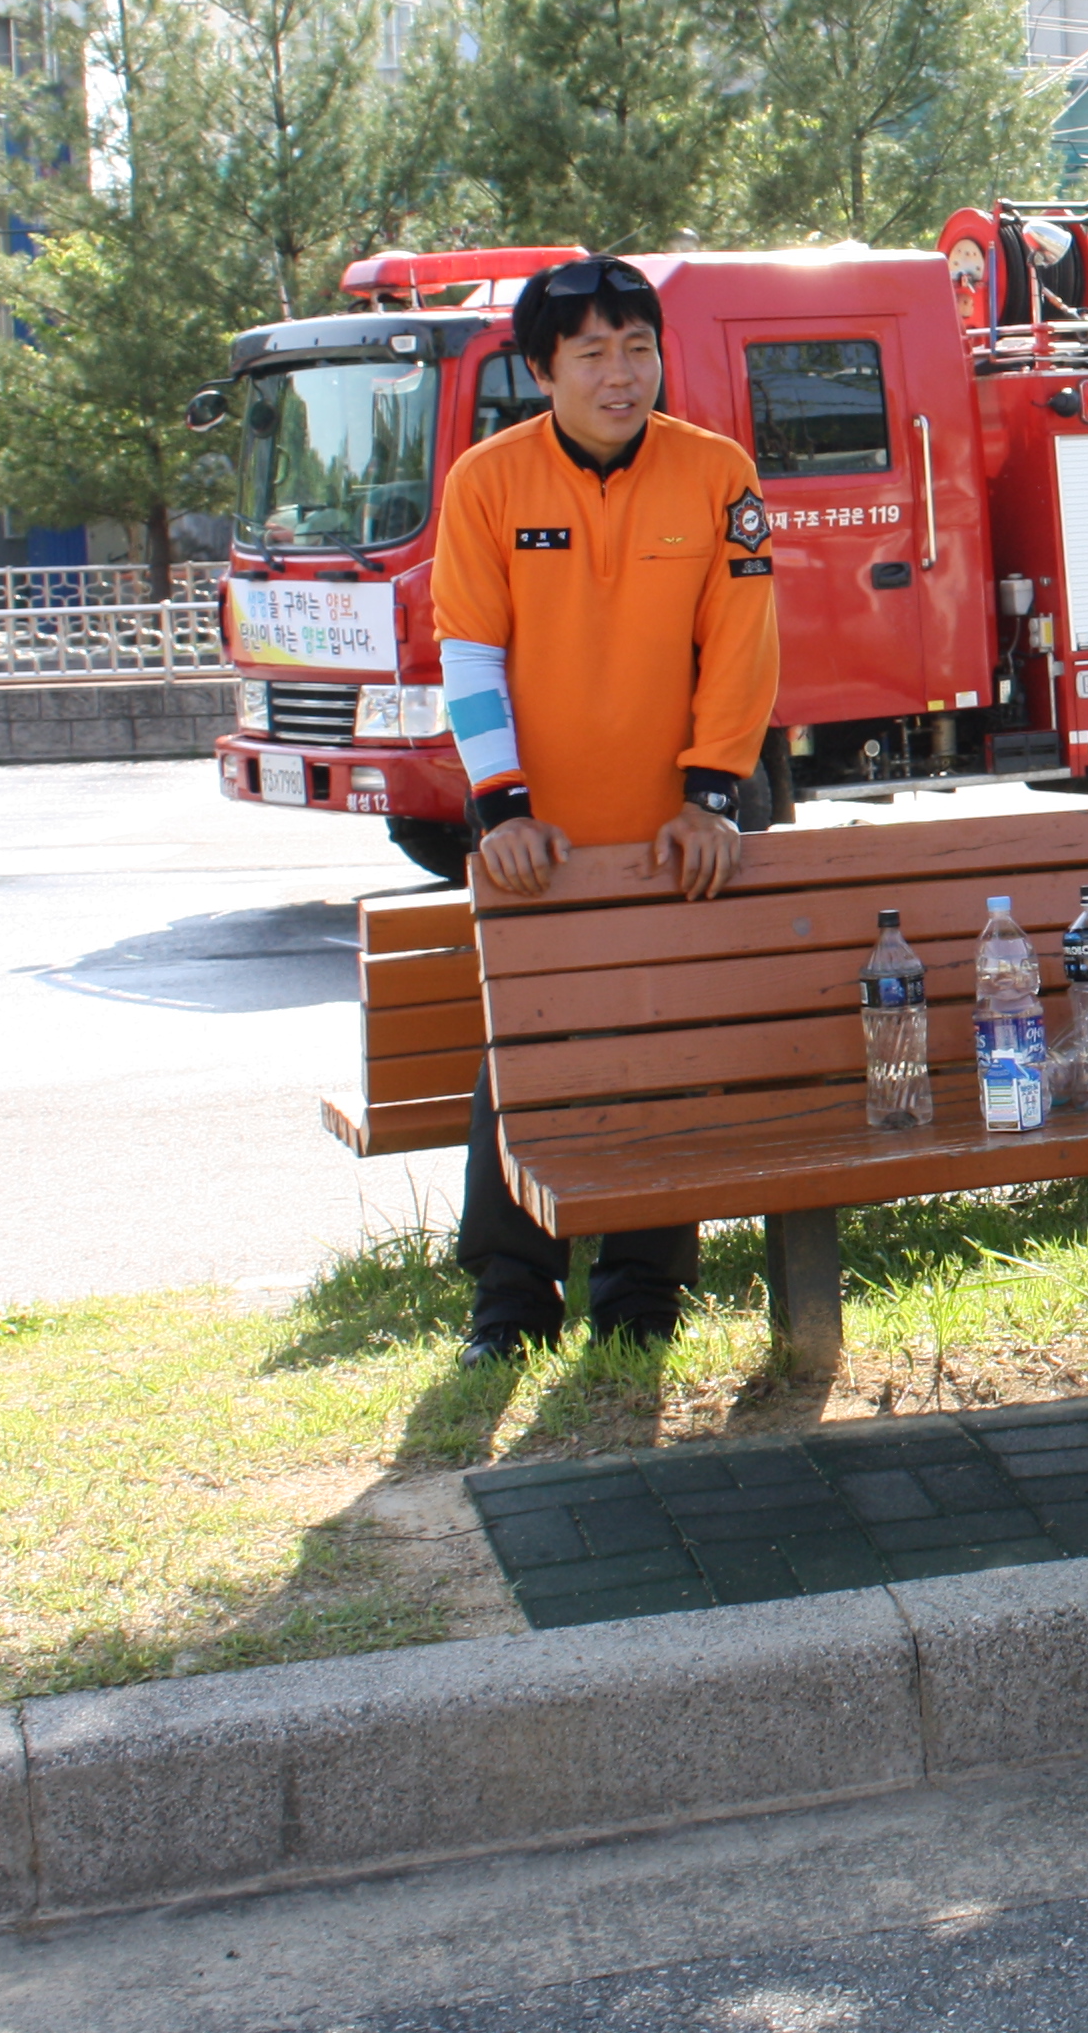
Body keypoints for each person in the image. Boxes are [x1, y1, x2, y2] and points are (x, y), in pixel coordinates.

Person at [434, 254, 780, 1363]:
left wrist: (711, 797)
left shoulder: (718, 472)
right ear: (542, 371)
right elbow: (469, 654)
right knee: (524, 1053)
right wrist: (504, 811)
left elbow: (743, 643)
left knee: (669, 1048)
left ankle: (643, 1293)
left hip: (680, 836)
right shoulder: (486, 482)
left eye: (639, 349)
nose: (622, 374)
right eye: (592, 354)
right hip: (537, 838)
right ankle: (511, 1302)